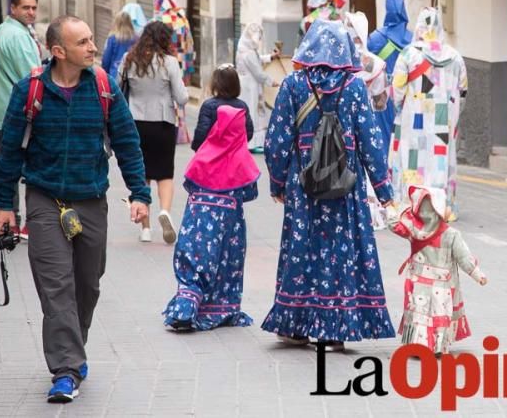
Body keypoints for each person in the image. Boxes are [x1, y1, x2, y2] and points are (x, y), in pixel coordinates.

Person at [0, 15, 150, 404]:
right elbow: (10, 150)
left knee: (87, 284)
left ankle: (73, 348)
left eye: (92, 39)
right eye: (83, 42)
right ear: (58, 51)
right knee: (56, 285)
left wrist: (140, 194)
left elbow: (127, 141)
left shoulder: (103, 87)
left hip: (91, 200)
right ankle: (65, 368)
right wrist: (3, 205)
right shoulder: (29, 90)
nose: (93, 47)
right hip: (45, 199)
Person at [262, 20, 395, 351]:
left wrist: (278, 182)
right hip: (345, 183)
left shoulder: (293, 84)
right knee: (340, 251)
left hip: (301, 182)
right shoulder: (352, 87)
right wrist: (384, 191)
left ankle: (296, 325)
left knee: (301, 248)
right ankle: (336, 328)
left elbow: (277, 138)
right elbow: (370, 140)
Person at [163, 70, 259, 331]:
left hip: (204, 183)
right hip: (232, 188)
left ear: (215, 85)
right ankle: (224, 306)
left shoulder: (209, 105)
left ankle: (188, 303)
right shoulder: (242, 107)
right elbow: (247, 136)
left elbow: (200, 139)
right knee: (228, 249)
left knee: (196, 244)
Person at [386, 186, 486, 355]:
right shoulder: (451, 234)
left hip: (417, 280)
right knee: (439, 315)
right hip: (442, 284)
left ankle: (417, 346)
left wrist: (389, 207)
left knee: (419, 315)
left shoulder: (413, 229)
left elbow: (394, 224)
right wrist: (478, 274)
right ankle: (437, 347)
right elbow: (464, 258)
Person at [390, 7, 468, 220]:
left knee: (413, 158)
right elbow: (463, 91)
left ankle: (412, 203)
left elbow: (396, 90)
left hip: (414, 117)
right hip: (444, 120)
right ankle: (443, 205)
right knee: (440, 160)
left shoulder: (408, 54)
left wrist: (399, 107)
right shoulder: (455, 57)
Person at [120, 21, 189, 244]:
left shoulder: (129, 59)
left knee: (143, 174)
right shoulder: (169, 62)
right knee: (165, 173)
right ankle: (165, 212)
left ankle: (146, 229)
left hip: (135, 122)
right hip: (163, 123)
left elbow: (117, 87)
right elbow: (182, 97)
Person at [0, 0, 41, 231]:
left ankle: (11, 218)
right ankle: (30, 221)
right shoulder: (19, 37)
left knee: (7, 166)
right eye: (25, 8)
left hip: (3, 111)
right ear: (13, 8)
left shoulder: (1, 31)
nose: (30, 12)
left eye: (33, 8)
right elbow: (35, 78)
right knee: (34, 169)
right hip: (21, 113)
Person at [344, 11, 389, 230]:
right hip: (367, 120)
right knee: (369, 160)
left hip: (340, 122)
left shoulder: (336, 60)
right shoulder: (375, 64)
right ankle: (371, 210)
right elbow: (381, 102)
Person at [367, 0, 413, 136]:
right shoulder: (413, 38)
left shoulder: (377, 38)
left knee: (384, 134)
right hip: (407, 94)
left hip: (383, 95)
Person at [235, 23, 279, 153]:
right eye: (258, 38)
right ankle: (252, 142)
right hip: (251, 87)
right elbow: (258, 73)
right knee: (253, 112)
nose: (259, 41)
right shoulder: (248, 53)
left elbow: (258, 59)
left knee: (250, 111)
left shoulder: (244, 49)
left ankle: (249, 141)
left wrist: (270, 57)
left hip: (246, 86)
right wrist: (271, 81)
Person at [153, 0, 195, 85]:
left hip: (163, 62)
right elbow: (190, 44)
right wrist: (189, 66)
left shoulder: (159, 19)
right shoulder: (182, 18)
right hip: (181, 60)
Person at [101, 11, 137, 80]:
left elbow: (106, 60)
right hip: (132, 76)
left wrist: (105, 74)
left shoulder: (112, 39)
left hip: (115, 75)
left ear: (116, 23)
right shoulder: (136, 38)